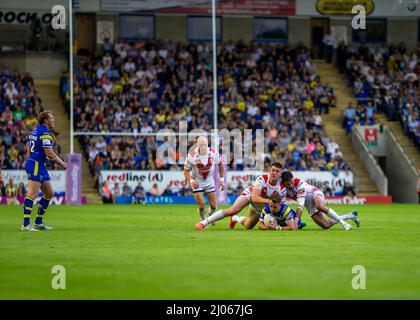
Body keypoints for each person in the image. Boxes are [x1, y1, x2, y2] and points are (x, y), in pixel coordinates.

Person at [195, 162, 283, 230]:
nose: (274, 173)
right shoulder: (262, 179)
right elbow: (254, 198)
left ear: (280, 174)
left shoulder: (281, 187)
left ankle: (235, 218)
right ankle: (203, 223)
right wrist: (269, 202)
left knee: (248, 226)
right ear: (269, 171)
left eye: (277, 171)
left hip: (262, 205)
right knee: (233, 210)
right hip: (250, 195)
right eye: (273, 170)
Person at [22, 111, 67, 231]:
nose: (54, 120)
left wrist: (29, 161)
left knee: (49, 193)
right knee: (32, 193)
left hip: (38, 163)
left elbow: (28, 150)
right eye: (52, 118)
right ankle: (26, 224)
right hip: (36, 163)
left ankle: (38, 222)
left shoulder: (35, 131)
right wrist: (62, 163)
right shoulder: (45, 133)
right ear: (46, 120)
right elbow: (49, 153)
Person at [281, 171, 359, 231]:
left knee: (320, 206)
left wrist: (296, 221)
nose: (291, 185)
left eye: (292, 183)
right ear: (283, 183)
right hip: (309, 205)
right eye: (288, 184)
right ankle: (349, 216)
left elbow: (300, 205)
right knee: (326, 225)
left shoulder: (298, 183)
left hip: (314, 193)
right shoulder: (283, 189)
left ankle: (344, 223)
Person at [184, 136, 224, 223]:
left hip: (209, 181)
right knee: (201, 206)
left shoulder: (213, 153)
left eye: (205, 145)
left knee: (213, 206)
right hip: (197, 182)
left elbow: (220, 164)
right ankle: (204, 220)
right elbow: (186, 171)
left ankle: (210, 214)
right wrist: (191, 181)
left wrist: (221, 180)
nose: (203, 147)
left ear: (207, 144)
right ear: (197, 145)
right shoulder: (191, 156)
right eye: (201, 145)